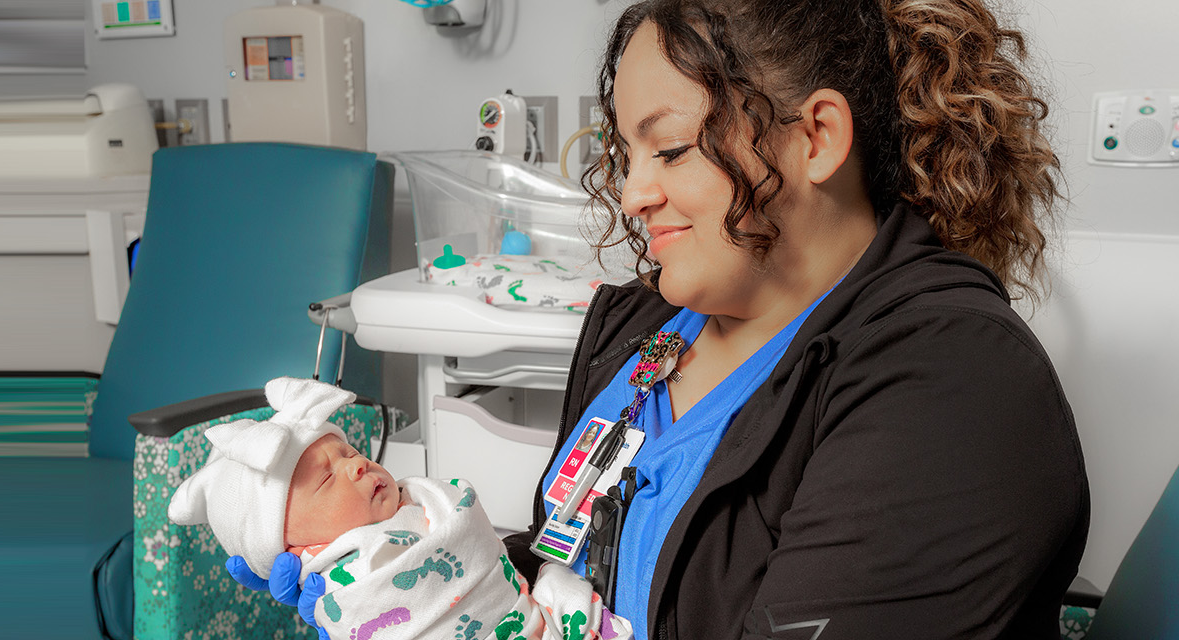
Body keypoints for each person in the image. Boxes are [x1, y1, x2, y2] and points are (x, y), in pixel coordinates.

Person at [239, 0, 1088, 637]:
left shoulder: (949, 385)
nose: (635, 192)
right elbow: (571, 559)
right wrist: (409, 558)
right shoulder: (646, 339)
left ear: (816, 138)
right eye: (626, 154)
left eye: (671, 148)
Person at [176, 377, 628, 640]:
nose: (356, 466)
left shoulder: (424, 499)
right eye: (327, 478)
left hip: (523, 618)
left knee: (557, 584)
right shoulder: (343, 581)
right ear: (295, 546)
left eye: (351, 453)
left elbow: (479, 547)